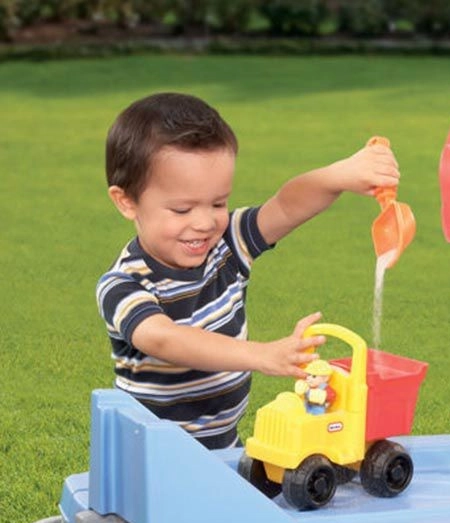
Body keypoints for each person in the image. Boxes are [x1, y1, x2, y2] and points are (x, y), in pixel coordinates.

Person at [97, 92, 399, 449]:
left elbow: (286, 207)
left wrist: (339, 175)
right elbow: (165, 339)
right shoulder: (123, 284)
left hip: (225, 444)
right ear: (126, 201)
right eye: (182, 210)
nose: (205, 222)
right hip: (151, 455)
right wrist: (263, 355)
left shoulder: (227, 245)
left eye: (218, 203)